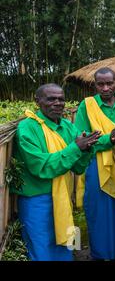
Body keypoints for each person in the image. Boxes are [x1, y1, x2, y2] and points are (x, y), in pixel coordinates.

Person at [12, 84, 100, 261]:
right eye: (51, 99)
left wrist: (87, 148)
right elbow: (41, 167)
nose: (57, 103)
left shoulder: (68, 126)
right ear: (37, 101)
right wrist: (76, 148)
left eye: (61, 99)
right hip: (37, 200)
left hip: (64, 197)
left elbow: (78, 168)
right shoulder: (27, 129)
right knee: (41, 249)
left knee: (66, 246)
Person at [74, 67, 115, 261]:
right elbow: (81, 137)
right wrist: (108, 140)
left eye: (109, 83)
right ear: (94, 85)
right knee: (98, 209)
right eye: (100, 84)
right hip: (95, 163)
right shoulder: (87, 106)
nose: (105, 88)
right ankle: (101, 253)